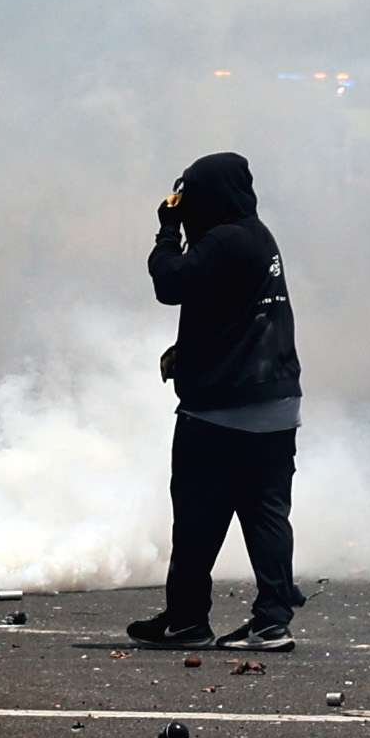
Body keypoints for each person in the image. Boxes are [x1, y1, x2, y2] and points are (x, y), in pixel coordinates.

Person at [131, 150, 307, 650]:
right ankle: (273, 620)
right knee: (266, 514)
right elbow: (233, 312)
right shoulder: (258, 236)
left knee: (196, 517)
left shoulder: (224, 240)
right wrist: (188, 351)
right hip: (276, 406)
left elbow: (171, 282)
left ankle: (187, 619)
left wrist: (167, 229)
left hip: (221, 414)